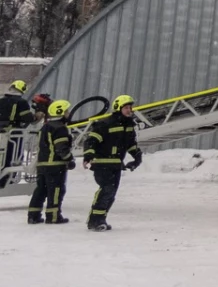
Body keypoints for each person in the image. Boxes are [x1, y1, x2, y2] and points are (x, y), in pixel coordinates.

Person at [83, 95, 142, 231]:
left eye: (130, 108)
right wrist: (88, 155)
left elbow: (131, 145)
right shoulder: (105, 123)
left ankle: (99, 219)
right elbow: (91, 141)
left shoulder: (129, 125)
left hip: (116, 165)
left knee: (111, 194)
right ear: (118, 108)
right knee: (106, 190)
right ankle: (95, 220)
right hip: (102, 163)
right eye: (126, 108)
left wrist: (137, 157)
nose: (129, 110)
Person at [27, 99, 74, 225]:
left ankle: (33, 215)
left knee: (41, 190)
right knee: (56, 190)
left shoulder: (45, 127)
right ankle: (53, 216)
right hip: (55, 165)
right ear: (61, 112)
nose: (68, 113)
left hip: (42, 165)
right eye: (66, 111)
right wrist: (69, 159)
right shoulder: (60, 128)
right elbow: (61, 148)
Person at [1, 79, 32, 179]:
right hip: (13, 134)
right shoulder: (21, 102)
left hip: (1, 133)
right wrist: (36, 116)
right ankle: (8, 179)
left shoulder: (1, 100)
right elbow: (27, 118)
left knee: (2, 156)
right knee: (13, 157)